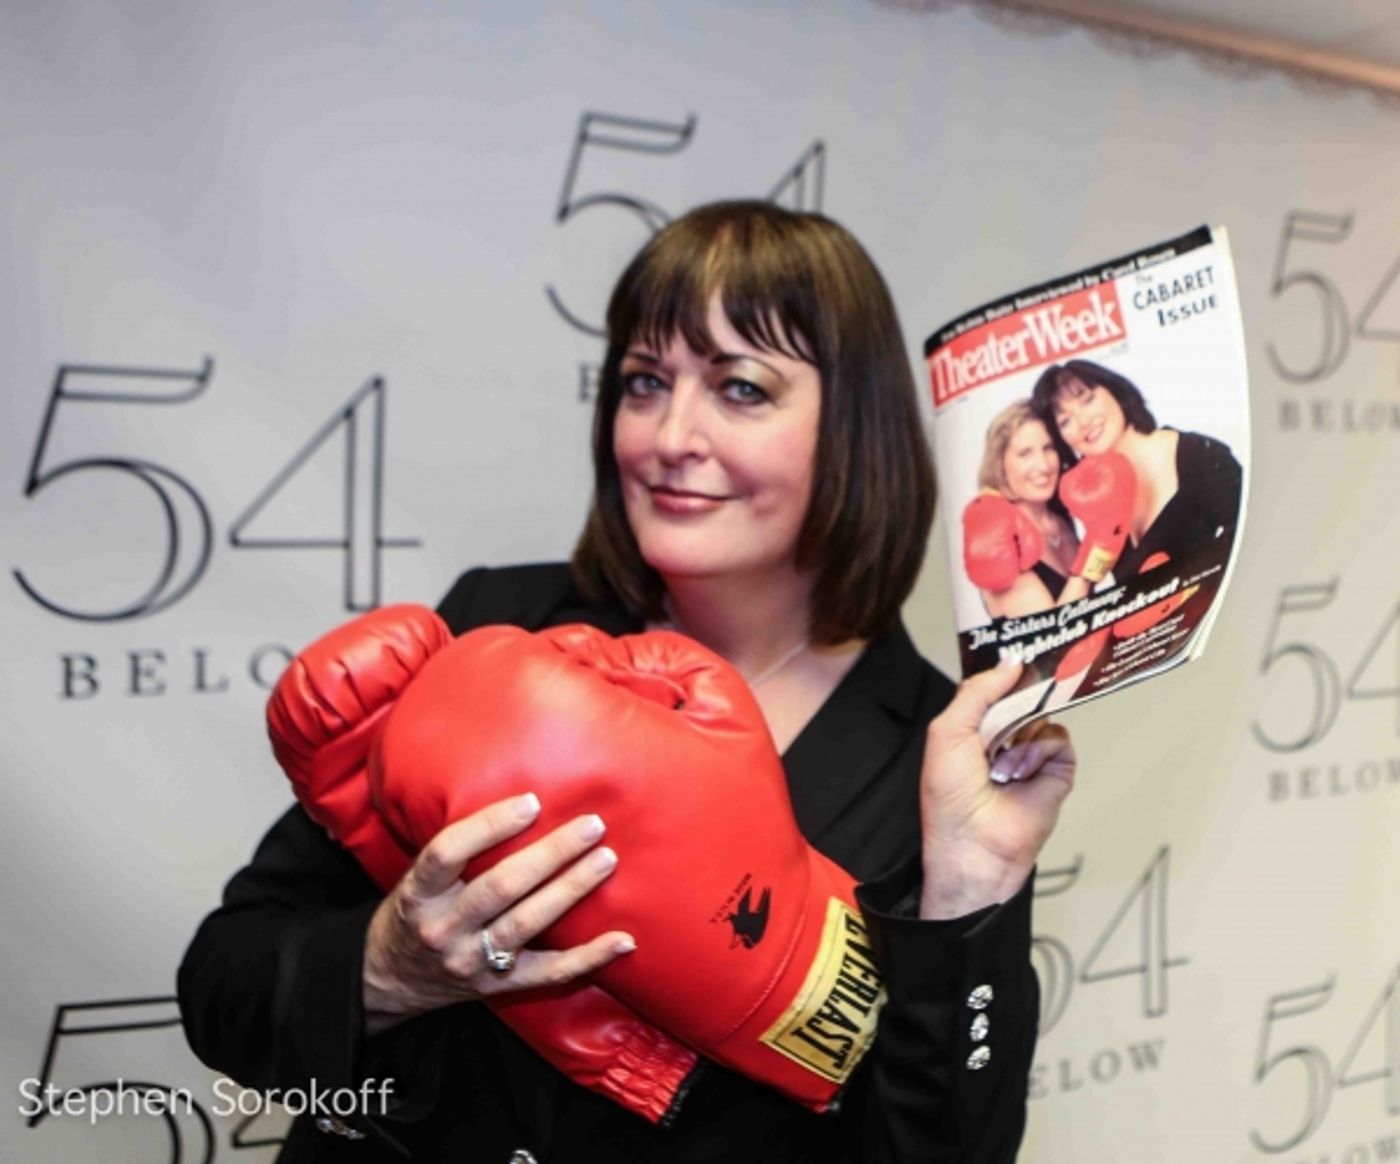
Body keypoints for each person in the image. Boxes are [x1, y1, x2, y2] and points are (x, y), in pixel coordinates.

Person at [179, 201, 1075, 1163]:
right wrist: (389, 968)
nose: (669, 435)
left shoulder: (934, 758)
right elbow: (224, 985)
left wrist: (973, 891)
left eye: (740, 389)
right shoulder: (495, 628)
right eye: (645, 382)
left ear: (856, 430)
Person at [1029, 359, 1242, 582]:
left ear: (1115, 392)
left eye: (1088, 400)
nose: (1083, 422)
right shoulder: (1099, 501)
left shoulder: (1200, 455)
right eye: (1065, 421)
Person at [967, 400, 1087, 619]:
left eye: (1048, 448)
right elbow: (1052, 634)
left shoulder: (1060, 520)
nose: (1043, 465)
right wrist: (1094, 560)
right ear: (1000, 465)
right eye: (1025, 453)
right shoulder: (998, 535)